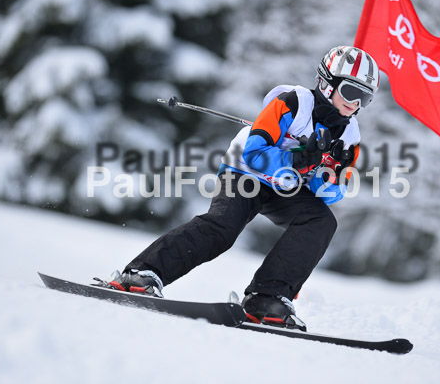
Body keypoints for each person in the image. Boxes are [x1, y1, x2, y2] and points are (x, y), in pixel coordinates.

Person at [108, 46, 380, 331]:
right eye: (351, 92)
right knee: (224, 227)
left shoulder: (349, 136)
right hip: (245, 173)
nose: (356, 103)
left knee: (321, 221)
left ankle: (267, 297)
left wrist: (328, 174)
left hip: (285, 188)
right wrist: (297, 158)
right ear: (327, 82)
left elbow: (332, 194)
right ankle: (142, 273)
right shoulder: (293, 103)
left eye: (365, 98)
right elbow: (254, 152)